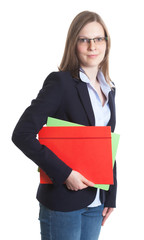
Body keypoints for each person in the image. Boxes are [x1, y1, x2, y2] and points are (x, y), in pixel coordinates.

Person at [12, 10, 117, 240]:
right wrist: (65, 173)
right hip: (62, 201)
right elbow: (22, 134)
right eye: (84, 39)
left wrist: (111, 195)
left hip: (96, 202)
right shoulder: (60, 83)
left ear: (106, 43)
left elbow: (107, 144)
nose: (92, 46)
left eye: (99, 39)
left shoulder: (109, 89)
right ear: (74, 44)